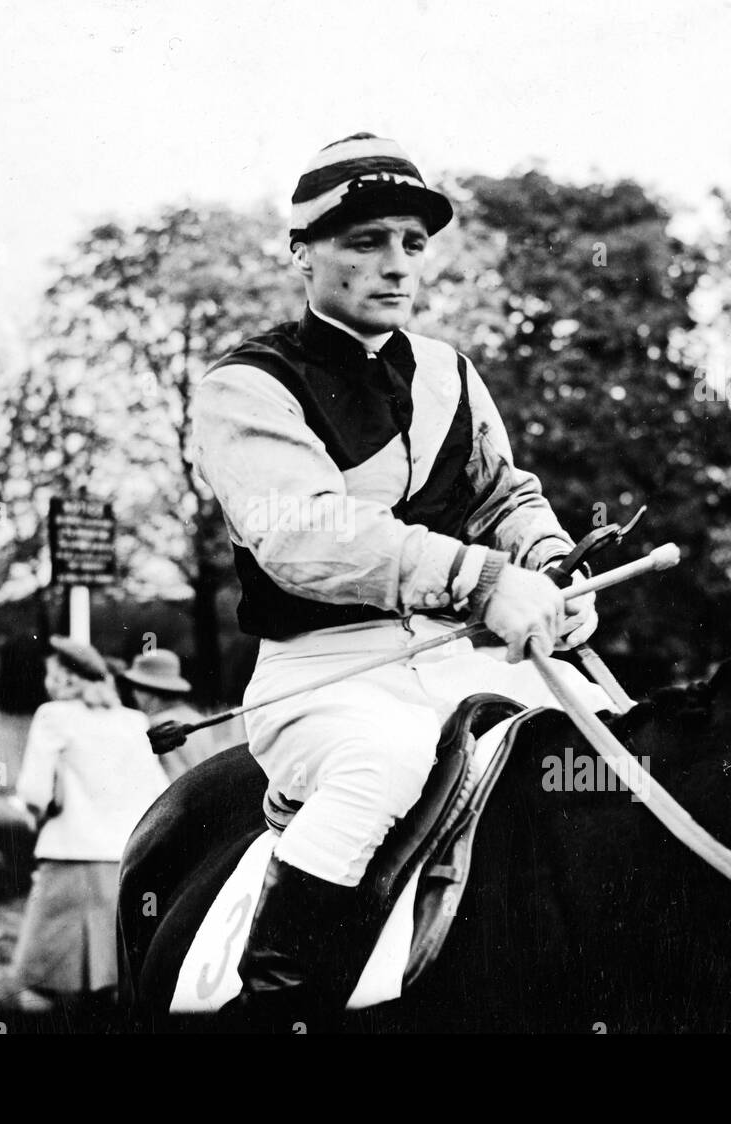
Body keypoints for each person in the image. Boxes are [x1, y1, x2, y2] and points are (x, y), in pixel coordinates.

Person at [190, 133, 613, 1031]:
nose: (396, 266)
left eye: (413, 244)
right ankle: (277, 1014)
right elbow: (308, 534)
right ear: (301, 250)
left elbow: (507, 495)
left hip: (459, 656)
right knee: (381, 766)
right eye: (366, 242)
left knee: (619, 745)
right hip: (323, 670)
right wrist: (483, 578)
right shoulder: (247, 384)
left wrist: (547, 563)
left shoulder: (451, 374)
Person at [9, 636, 170, 1012]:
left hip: (71, 857)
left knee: (37, 982)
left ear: (67, 680)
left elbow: (33, 792)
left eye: (51, 675)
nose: (47, 683)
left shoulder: (52, 716)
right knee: (115, 978)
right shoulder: (134, 722)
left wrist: (36, 813)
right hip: (127, 863)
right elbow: (157, 793)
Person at [120, 649, 223, 781]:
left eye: (136, 688)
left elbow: (170, 778)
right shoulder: (195, 717)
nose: (134, 694)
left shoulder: (157, 725)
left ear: (147, 691)